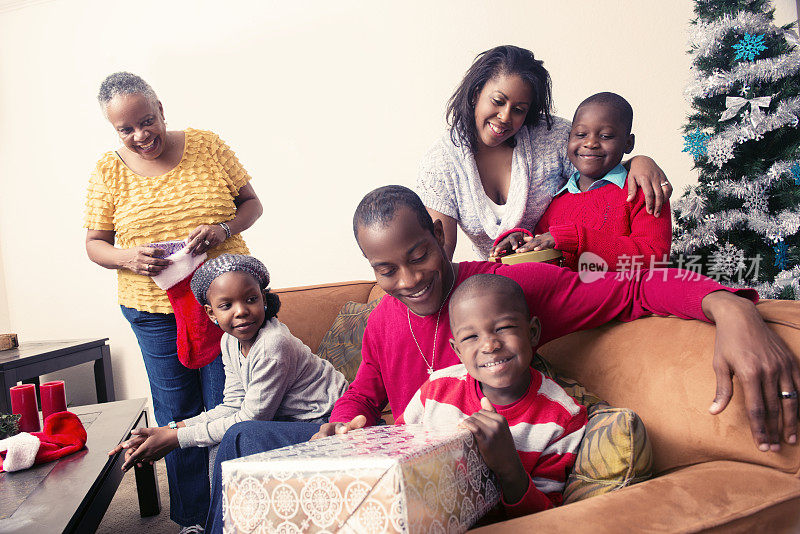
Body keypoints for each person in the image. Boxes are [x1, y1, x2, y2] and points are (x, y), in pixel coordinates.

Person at [205, 186, 798, 534]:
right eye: (387, 270)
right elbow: (365, 386)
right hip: (390, 456)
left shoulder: (501, 295)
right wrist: (349, 417)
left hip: (470, 478)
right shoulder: (385, 315)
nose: (409, 280)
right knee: (240, 443)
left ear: (441, 238)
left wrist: (733, 308)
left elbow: (632, 290)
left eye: (418, 256)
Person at [84, 72, 263, 532]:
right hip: (151, 311)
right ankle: (190, 519)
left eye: (147, 121)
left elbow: (251, 205)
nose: (141, 135)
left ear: (161, 108)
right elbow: (95, 245)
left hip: (221, 307)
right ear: (114, 130)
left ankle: (235, 514)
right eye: (127, 129)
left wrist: (223, 229)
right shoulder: (108, 169)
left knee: (227, 405)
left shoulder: (206, 145)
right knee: (175, 412)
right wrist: (128, 257)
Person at [415, 45, 673, 260]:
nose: (505, 117)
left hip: (567, 268)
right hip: (501, 285)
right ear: (475, 95)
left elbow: (602, 168)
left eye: (519, 109)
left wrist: (639, 161)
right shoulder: (441, 163)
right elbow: (440, 255)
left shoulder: (552, 136)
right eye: (497, 101)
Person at [108, 254, 348, 471]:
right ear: (211, 313)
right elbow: (232, 405)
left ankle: (225, 519)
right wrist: (170, 429)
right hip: (290, 420)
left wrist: (176, 439)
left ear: (263, 299)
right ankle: (223, 519)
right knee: (221, 440)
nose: (241, 311)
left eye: (251, 299)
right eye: (226, 305)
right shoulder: (229, 342)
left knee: (233, 438)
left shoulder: (273, 344)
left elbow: (251, 421)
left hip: (327, 421)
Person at [398, 274, 588, 518]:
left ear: (532, 332)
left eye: (503, 328)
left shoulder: (562, 418)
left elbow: (545, 519)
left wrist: (508, 465)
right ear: (457, 350)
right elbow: (396, 452)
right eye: (471, 337)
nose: (489, 345)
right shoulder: (435, 390)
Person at [492, 92, 672, 271]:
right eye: (580, 134)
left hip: (620, 297)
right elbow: (545, 246)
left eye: (606, 136)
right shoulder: (558, 198)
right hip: (565, 296)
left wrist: (576, 238)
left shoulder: (644, 189)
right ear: (569, 138)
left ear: (628, 143)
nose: (591, 143)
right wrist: (521, 242)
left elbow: (654, 258)